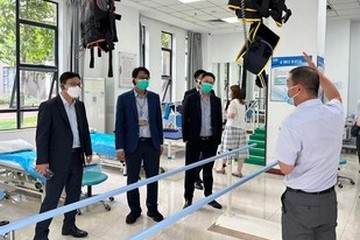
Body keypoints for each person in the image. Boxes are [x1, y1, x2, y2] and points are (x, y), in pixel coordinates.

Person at [275, 52, 345, 240]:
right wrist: (316, 72)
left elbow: (285, 168)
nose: (287, 90)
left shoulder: (292, 123)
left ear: (298, 89)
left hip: (301, 203)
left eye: (288, 86)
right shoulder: (335, 113)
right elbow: (336, 96)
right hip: (328, 201)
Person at [34, 72, 93, 240]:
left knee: (74, 195)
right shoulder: (49, 106)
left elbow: (84, 129)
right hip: (56, 161)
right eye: (73, 84)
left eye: (79, 84)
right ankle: (40, 235)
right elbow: (42, 135)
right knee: (51, 199)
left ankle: (69, 226)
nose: (77, 87)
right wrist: (42, 161)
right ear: (63, 86)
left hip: (76, 157)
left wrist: (88, 151)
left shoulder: (79, 106)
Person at [115, 67, 164, 224]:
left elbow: (158, 122)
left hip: (151, 143)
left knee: (153, 178)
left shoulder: (154, 98)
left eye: (147, 78)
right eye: (142, 78)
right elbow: (119, 125)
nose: (145, 81)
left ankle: (152, 208)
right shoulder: (124, 99)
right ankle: (134, 210)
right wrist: (120, 148)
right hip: (132, 145)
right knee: (132, 179)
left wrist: (160, 143)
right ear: (134, 79)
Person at [182, 72, 223, 209]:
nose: (208, 84)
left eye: (211, 82)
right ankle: (188, 199)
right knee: (190, 171)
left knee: (208, 170)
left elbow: (218, 121)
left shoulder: (216, 101)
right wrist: (186, 138)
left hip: (210, 141)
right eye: (206, 81)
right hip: (194, 140)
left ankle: (209, 196)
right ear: (199, 82)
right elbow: (185, 119)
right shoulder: (191, 98)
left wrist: (217, 140)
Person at [182, 69, 206, 190]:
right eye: (202, 79)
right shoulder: (189, 94)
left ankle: (197, 176)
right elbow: (185, 115)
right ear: (196, 80)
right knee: (192, 160)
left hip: (207, 134)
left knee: (204, 158)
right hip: (193, 134)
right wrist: (185, 136)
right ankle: (194, 180)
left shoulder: (211, 93)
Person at [216, 85, 247, 177]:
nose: (229, 93)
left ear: (233, 92)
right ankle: (238, 170)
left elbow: (231, 115)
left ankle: (222, 167)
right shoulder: (242, 103)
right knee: (241, 150)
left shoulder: (233, 102)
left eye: (230, 91)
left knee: (226, 148)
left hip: (232, 127)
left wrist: (225, 113)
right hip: (241, 128)